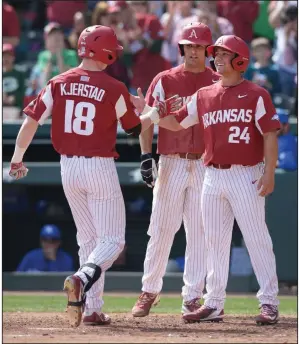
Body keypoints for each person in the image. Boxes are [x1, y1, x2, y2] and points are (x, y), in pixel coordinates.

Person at [8, 25, 181, 328]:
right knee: (112, 242)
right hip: (98, 167)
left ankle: (92, 308)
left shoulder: (58, 81)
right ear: (108, 52)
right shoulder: (113, 87)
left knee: (88, 240)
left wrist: (17, 158)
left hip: (68, 167)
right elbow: (133, 129)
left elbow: (32, 120)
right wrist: (155, 112)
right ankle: (81, 278)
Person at [138, 35, 281, 325]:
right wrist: (149, 113)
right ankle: (214, 302)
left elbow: (269, 133)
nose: (216, 58)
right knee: (213, 241)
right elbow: (175, 122)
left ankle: (269, 301)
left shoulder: (256, 94)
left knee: (257, 239)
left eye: (224, 54)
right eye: (215, 53)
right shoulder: (204, 95)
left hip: (246, 173)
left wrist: (269, 172)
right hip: (212, 175)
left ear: (240, 60)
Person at [130, 22, 220, 318]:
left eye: (198, 46)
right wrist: (146, 155)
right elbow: (147, 117)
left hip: (205, 162)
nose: (193, 51)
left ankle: (192, 296)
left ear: (208, 50)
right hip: (172, 160)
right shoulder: (165, 78)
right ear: (181, 48)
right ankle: (149, 291)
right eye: (189, 45)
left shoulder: (218, 80)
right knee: (161, 228)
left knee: (200, 232)